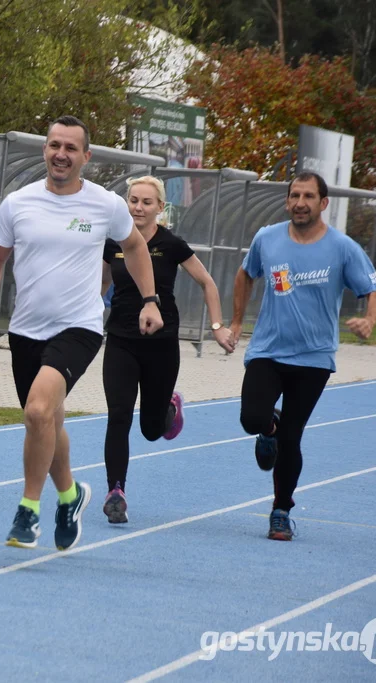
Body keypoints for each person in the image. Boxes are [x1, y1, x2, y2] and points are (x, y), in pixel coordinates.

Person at [0, 115, 164, 550]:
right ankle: (70, 495)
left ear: (86, 157)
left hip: (79, 327)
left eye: (70, 148)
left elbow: (133, 246)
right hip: (25, 331)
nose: (61, 154)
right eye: (54, 145)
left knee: (38, 412)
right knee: (49, 421)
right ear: (45, 150)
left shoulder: (105, 204)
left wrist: (149, 300)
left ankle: (28, 510)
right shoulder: (18, 203)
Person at [230, 171, 376, 541]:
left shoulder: (342, 247)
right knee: (252, 418)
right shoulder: (267, 239)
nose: (300, 202)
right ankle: (268, 428)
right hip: (268, 350)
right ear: (287, 201)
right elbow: (244, 274)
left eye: (309, 196)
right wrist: (235, 322)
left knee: (292, 438)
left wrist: (369, 320)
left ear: (323, 203)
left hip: (314, 358)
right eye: (295, 195)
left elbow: (375, 291)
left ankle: (281, 510)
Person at [100, 176, 236, 523]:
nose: (138, 208)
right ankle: (116, 490)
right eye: (133, 200)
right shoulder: (114, 242)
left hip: (161, 345)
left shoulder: (172, 244)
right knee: (118, 415)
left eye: (147, 202)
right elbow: (98, 287)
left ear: (161, 207)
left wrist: (218, 328)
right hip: (120, 340)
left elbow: (207, 283)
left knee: (150, 429)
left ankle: (170, 407)